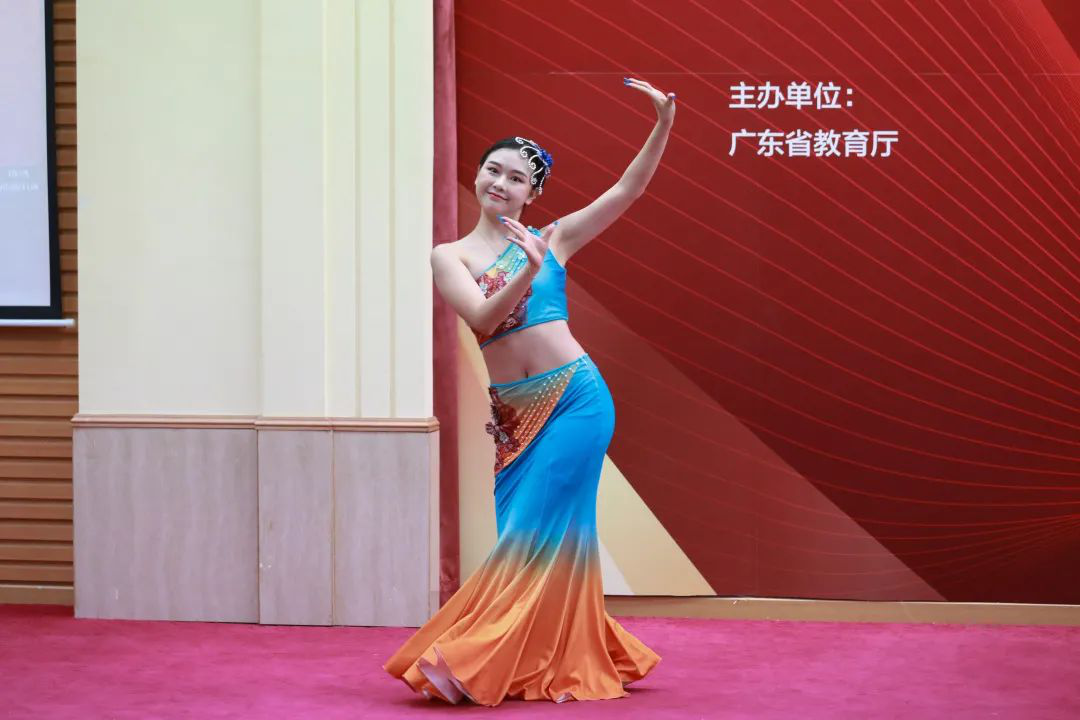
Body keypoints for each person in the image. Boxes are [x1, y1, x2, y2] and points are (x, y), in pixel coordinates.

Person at [383, 77, 676, 706]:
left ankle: (471, 658)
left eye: (516, 178)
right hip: (515, 420)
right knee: (528, 533)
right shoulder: (450, 256)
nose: (501, 183)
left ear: (532, 193)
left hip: (576, 400)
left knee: (540, 534)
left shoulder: (554, 238)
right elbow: (483, 318)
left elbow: (627, 191)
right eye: (493, 170)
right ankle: (550, 650)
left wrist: (662, 126)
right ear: (478, 176)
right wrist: (530, 270)